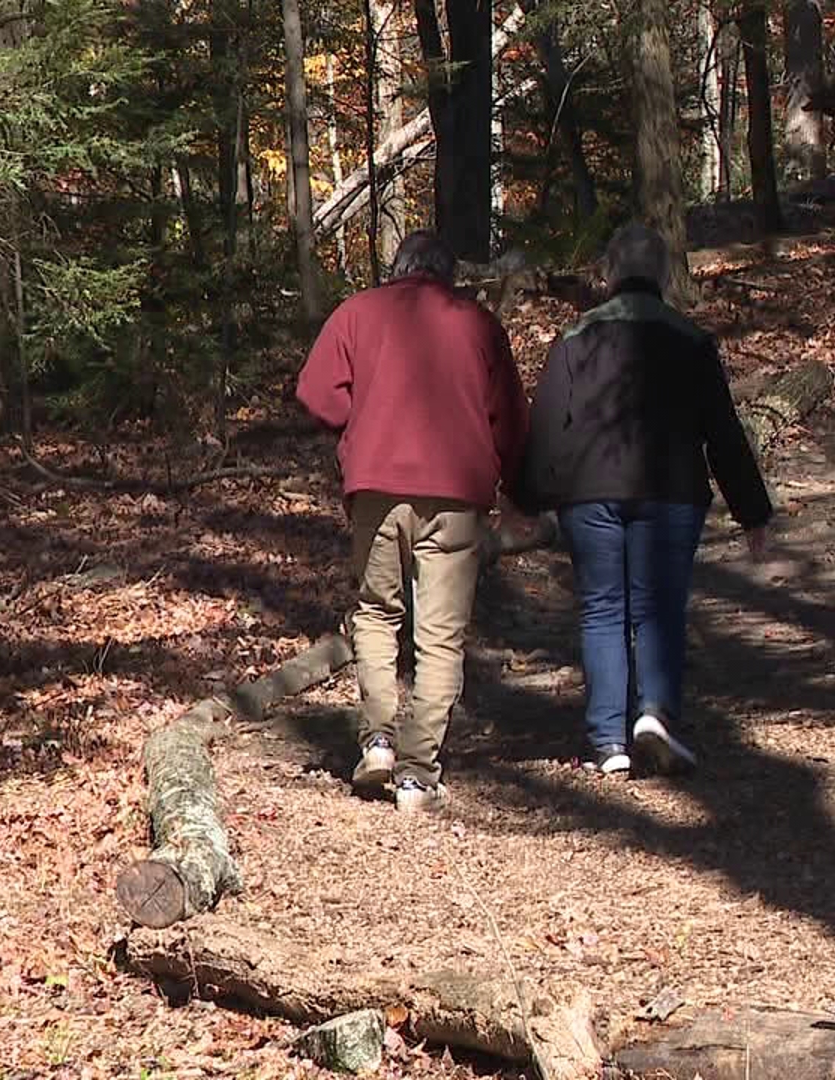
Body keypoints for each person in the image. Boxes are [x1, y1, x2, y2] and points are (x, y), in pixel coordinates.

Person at [510, 222, 772, 776]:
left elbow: (549, 426)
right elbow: (722, 430)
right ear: (664, 275)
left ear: (608, 274)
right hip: (670, 493)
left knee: (602, 610)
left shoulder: (575, 338)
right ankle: (654, 712)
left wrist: (529, 498)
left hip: (588, 495)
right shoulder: (691, 340)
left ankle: (608, 742)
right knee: (659, 607)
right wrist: (752, 511)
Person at [296, 231, 530, 812]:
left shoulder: (357, 312)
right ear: (447, 274)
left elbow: (317, 394)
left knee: (375, 612)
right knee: (440, 633)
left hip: (375, 486)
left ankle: (376, 742)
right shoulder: (477, 324)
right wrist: (519, 488)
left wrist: (362, 425)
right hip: (456, 495)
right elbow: (511, 421)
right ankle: (418, 772)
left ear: (396, 267)